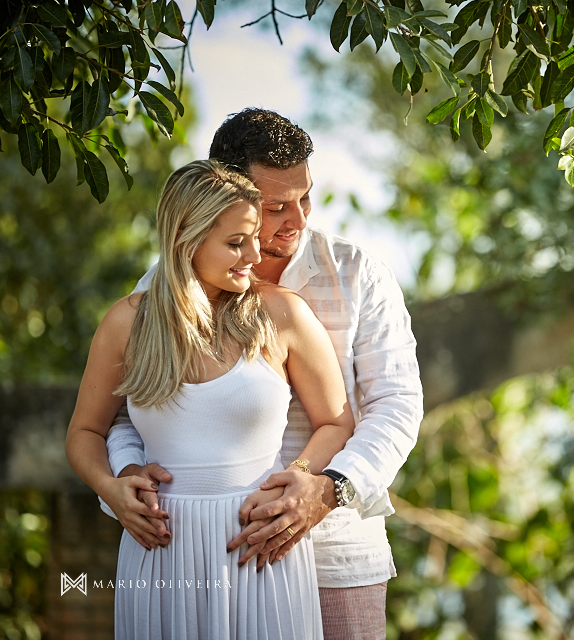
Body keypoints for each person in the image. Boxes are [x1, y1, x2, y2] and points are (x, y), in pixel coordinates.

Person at [103, 109, 424, 638]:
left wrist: (327, 489)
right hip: (195, 558)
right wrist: (125, 473)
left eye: (305, 198)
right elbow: (125, 411)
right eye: (276, 206)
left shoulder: (357, 274)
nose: (297, 219)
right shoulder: (163, 289)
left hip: (338, 554)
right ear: (224, 197)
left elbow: (397, 405)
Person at [66, 160, 356, 638]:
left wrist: (301, 477)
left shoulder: (282, 315)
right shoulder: (126, 324)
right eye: (236, 243)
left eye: (253, 239)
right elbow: (85, 432)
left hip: (261, 547)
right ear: (188, 238)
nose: (253, 255)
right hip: (161, 552)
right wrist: (111, 488)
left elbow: (336, 422)